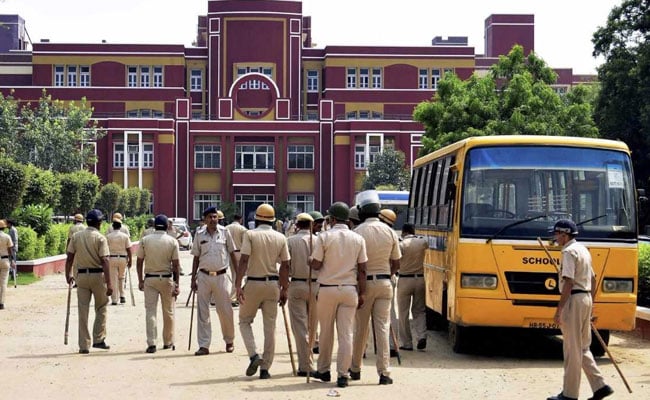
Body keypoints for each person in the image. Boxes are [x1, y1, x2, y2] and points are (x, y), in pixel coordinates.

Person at [547, 220, 614, 400]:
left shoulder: (568, 252)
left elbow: (568, 281)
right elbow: (593, 278)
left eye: (556, 234)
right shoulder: (583, 249)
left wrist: (559, 309)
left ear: (564, 234)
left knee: (571, 349)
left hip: (574, 300)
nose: (555, 237)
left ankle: (569, 394)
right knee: (582, 347)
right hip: (585, 299)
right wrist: (591, 302)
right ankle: (600, 386)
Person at [310, 202, 367, 388]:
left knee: (326, 332)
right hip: (350, 289)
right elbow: (363, 269)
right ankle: (343, 375)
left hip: (327, 289)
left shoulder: (324, 237)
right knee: (346, 334)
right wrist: (363, 292)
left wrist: (311, 259)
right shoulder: (358, 239)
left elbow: (316, 264)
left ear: (332, 219)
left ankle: (324, 370)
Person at [350, 190, 401, 385]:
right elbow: (396, 262)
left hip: (363, 285)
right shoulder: (389, 231)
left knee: (360, 328)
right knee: (382, 327)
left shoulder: (357, 232)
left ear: (362, 211)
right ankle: (384, 372)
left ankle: (355, 368)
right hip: (385, 283)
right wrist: (388, 274)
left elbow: (355, 264)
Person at [235, 204, 290, 380]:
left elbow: (243, 260)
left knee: (244, 321)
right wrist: (284, 288)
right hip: (273, 285)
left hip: (253, 282)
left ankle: (254, 355)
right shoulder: (280, 237)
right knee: (270, 328)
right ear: (273, 221)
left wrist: (237, 285)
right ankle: (265, 369)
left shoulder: (250, 235)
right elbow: (286, 265)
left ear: (256, 219)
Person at [191, 206, 237, 356]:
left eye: (215, 217)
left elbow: (232, 254)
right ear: (205, 219)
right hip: (203, 276)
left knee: (225, 311)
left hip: (222, 276)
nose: (213, 220)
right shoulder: (199, 234)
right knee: (203, 312)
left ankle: (229, 341)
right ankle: (204, 345)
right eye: (210, 217)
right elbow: (196, 257)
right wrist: (193, 279)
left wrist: (237, 277)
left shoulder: (225, 232)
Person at [64, 209, 113, 354]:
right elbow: (105, 260)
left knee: (83, 310)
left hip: (82, 277)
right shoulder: (100, 238)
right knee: (101, 307)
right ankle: (98, 339)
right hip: (98, 276)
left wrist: (68, 274)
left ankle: (84, 345)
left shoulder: (76, 236)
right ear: (99, 223)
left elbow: (70, 257)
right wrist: (109, 283)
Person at [137, 214, 181, 354]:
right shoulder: (172, 241)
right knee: (168, 312)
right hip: (167, 278)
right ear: (167, 226)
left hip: (150, 278)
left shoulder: (145, 240)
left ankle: (152, 343)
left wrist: (140, 280)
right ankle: (168, 341)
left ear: (154, 225)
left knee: (150, 311)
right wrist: (177, 284)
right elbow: (176, 265)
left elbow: (139, 262)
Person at [287, 212, 318, 376]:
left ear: (297, 225)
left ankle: (305, 365)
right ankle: (308, 362)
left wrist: (283, 287)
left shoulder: (291, 241)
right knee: (312, 327)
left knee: (300, 327)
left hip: (297, 284)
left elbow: (285, 265)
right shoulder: (319, 240)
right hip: (316, 285)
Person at [396, 223, 428, 351]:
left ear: (403, 232)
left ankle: (407, 343)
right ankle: (422, 336)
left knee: (403, 313)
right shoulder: (422, 242)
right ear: (413, 231)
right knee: (419, 310)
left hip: (404, 279)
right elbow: (427, 244)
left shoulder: (401, 244)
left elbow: (396, 259)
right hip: (420, 279)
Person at [378, 208, 401, 358]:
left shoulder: (372, 231)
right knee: (391, 312)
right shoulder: (394, 235)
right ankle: (393, 344)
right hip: (388, 277)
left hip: (373, 277)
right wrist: (390, 273)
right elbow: (396, 263)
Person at [106, 215, 132, 305]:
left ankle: (114, 299)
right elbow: (129, 249)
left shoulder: (108, 236)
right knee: (121, 277)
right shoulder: (125, 236)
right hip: (122, 258)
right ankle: (122, 296)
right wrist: (130, 260)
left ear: (113, 226)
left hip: (112, 258)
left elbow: (105, 249)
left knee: (113, 279)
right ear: (120, 226)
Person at [226, 213, 247, 305]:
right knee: (238, 276)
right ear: (240, 219)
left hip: (229, 253)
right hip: (240, 253)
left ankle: (234, 295)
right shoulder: (243, 229)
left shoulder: (226, 228)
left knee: (232, 274)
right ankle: (233, 297)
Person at [0, 219, 17, 310]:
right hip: (5, 260)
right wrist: (12, 261)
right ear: (4, 228)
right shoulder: (7, 237)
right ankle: (1, 303)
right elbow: (10, 250)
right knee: (3, 283)